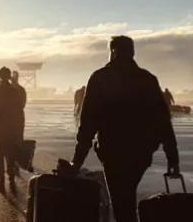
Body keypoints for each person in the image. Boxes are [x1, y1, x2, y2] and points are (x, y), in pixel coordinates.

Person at [71, 35, 180, 222]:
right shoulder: (147, 79)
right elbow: (163, 121)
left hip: (112, 151)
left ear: (112, 52)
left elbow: (88, 122)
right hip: (141, 153)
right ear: (132, 52)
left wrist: (77, 161)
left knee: (122, 202)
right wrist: (173, 158)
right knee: (126, 197)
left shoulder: (100, 78)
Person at [0, 67, 26, 192]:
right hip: (12, 125)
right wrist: (20, 130)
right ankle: (11, 178)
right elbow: (20, 111)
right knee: (11, 153)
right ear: (9, 77)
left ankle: (1, 181)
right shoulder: (15, 92)